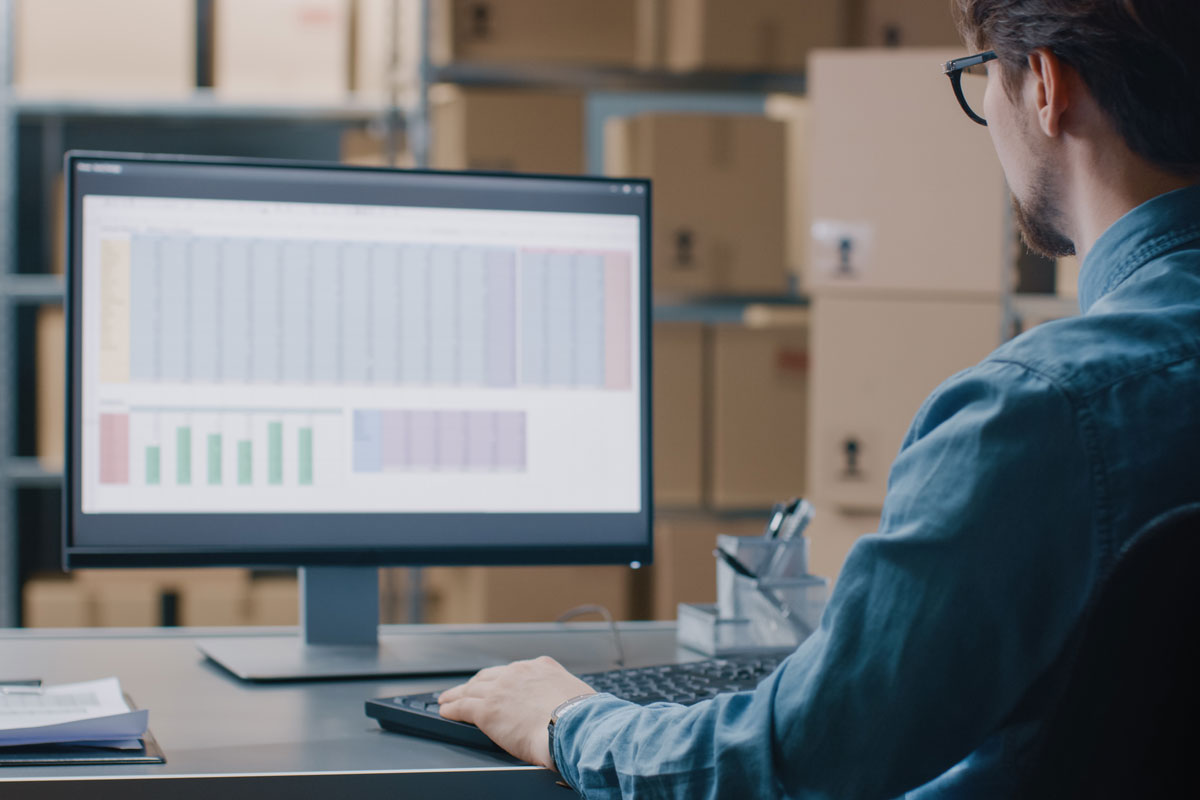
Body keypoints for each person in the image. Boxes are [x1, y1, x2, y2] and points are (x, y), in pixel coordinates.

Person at [437, 1, 1200, 795]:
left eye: (983, 80)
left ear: (1045, 85)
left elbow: (799, 761)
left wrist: (566, 720)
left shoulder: (1039, 414)